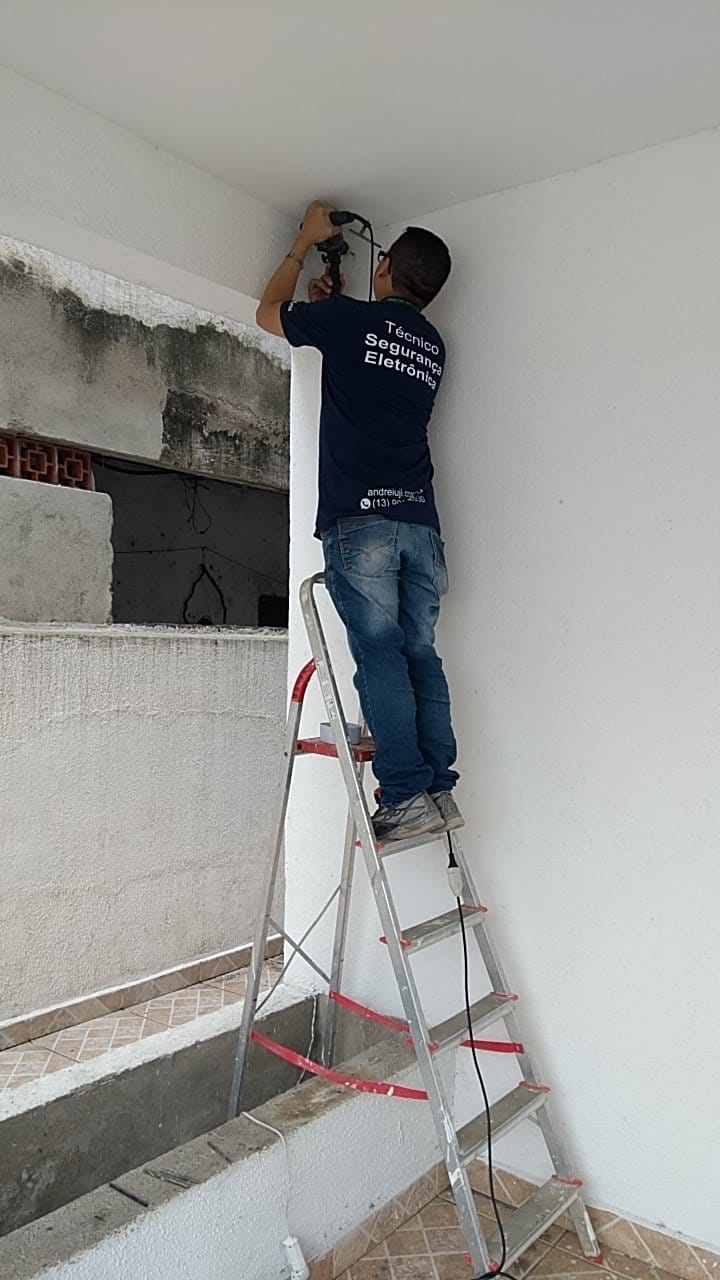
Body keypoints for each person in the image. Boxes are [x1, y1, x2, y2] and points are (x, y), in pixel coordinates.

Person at [256, 201, 460, 843]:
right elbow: (373, 357)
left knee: (379, 655)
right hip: (420, 524)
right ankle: (437, 788)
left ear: (387, 267)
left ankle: (404, 794)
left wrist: (303, 241)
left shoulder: (350, 323)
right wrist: (335, 310)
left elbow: (268, 313)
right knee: (418, 651)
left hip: (363, 521)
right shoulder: (432, 346)